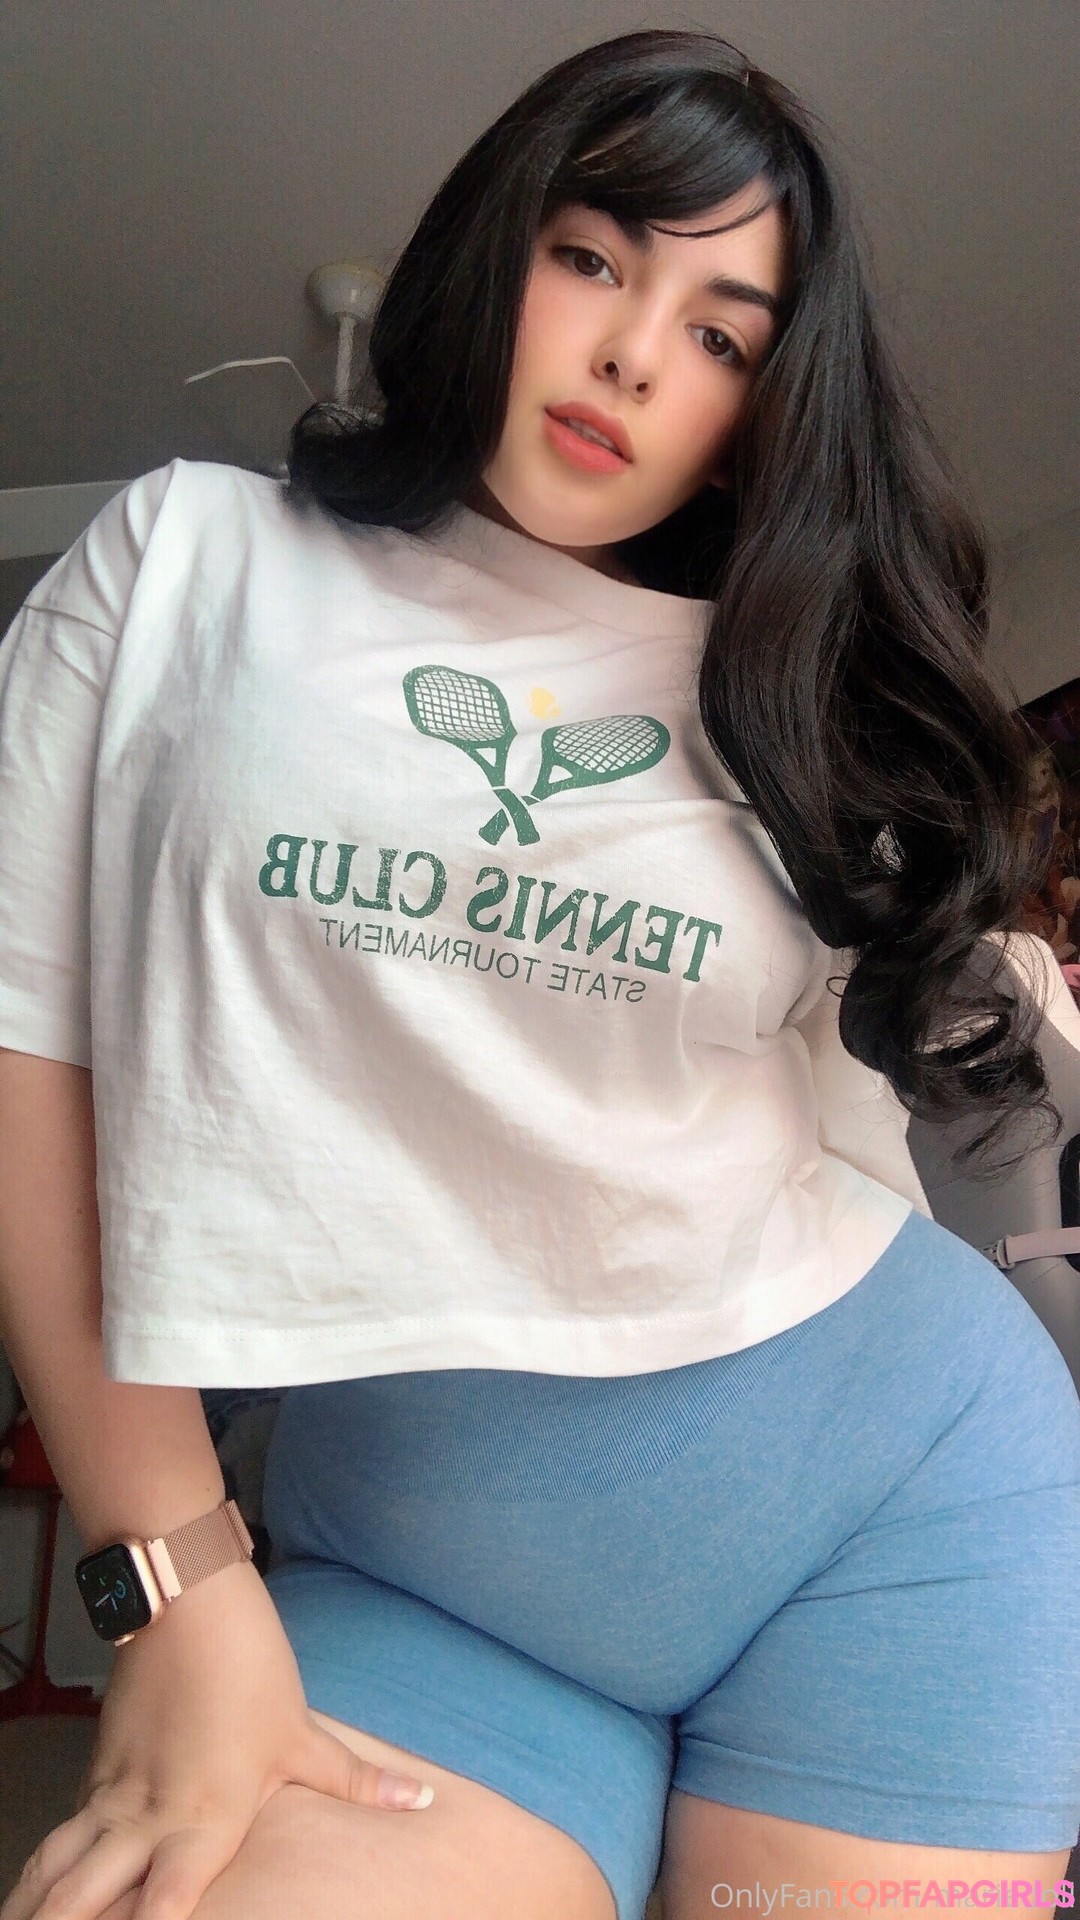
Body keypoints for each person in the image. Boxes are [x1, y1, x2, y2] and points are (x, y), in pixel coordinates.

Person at [1, 27, 1078, 1920]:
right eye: (593, 258)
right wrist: (167, 1576)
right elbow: (32, 1062)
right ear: (493, 247)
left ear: (760, 405)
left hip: (902, 1502)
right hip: (422, 1566)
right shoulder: (183, 561)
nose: (635, 355)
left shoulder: (784, 695)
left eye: (723, 335)